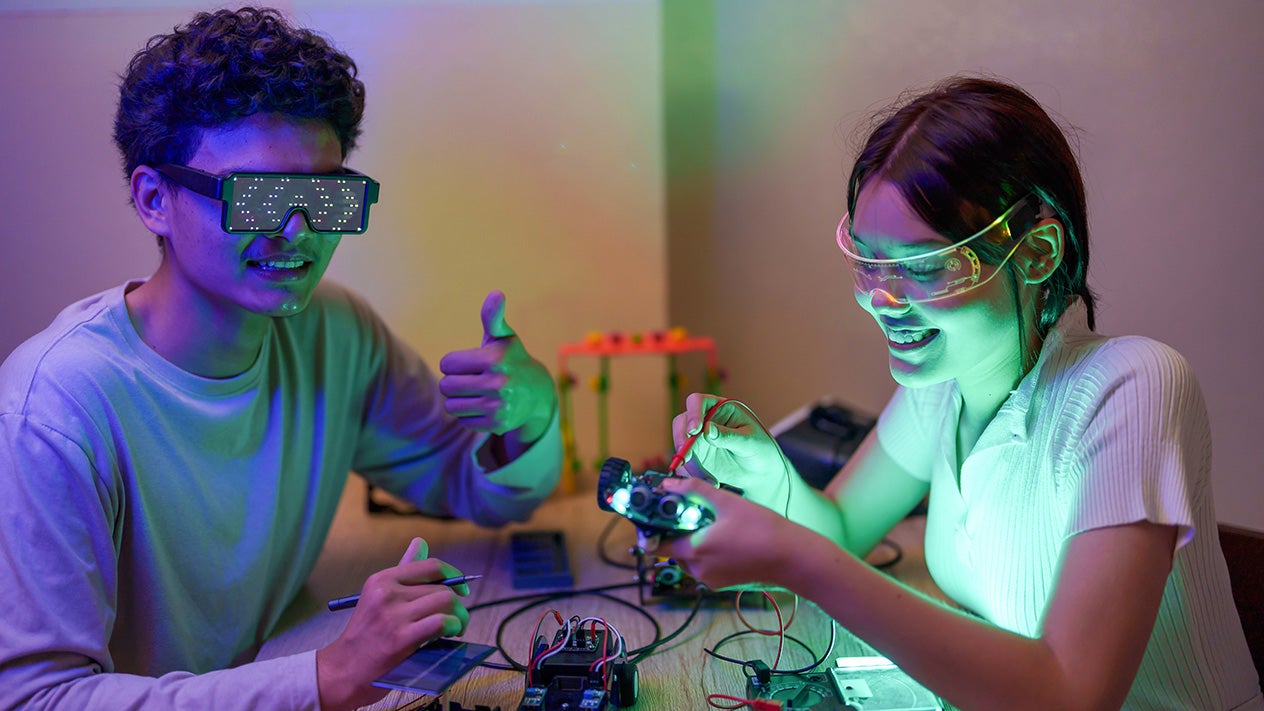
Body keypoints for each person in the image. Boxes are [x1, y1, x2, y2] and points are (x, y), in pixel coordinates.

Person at [0, 7, 561, 710]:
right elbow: (35, 698)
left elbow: (478, 488)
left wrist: (531, 416)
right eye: (261, 196)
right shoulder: (54, 407)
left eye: (325, 196)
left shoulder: (334, 330)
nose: (298, 231)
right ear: (153, 199)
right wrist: (326, 676)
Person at [661, 76, 1262, 710]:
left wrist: (798, 562)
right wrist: (765, 470)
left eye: (923, 267)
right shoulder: (944, 387)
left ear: (1036, 253)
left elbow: (1070, 695)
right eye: (868, 261)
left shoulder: (1132, 387)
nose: (882, 300)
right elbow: (838, 532)